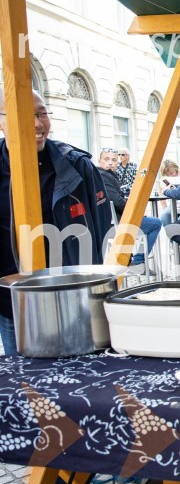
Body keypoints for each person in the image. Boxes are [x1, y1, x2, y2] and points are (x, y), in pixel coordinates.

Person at [0, 87, 111, 355]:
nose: (38, 124)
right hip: (13, 308)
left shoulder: (76, 165)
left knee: (82, 382)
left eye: (42, 114)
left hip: (74, 304)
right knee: (25, 387)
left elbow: (106, 233)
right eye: (26, 116)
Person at [96, 148, 162, 273]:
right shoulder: (104, 177)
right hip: (116, 225)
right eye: (106, 159)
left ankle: (131, 259)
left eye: (114, 160)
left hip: (115, 222)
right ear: (100, 161)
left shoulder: (105, 175)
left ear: (117, 162)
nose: (110, 162)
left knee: (151, 221)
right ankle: (138, 262)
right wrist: (138, 211)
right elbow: (117, 202)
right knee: (155, 223)